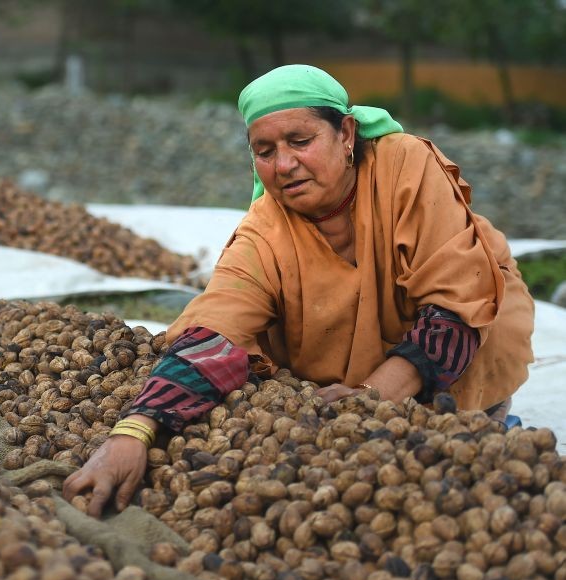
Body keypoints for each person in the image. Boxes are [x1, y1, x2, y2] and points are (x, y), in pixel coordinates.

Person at [63, 64, 535, 518]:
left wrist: (374, 395)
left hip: (456, 372)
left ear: (346, 135)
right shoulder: (266, 231)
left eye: (301, 141)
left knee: (461, 457)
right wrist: (132, 433)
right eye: (264, 151)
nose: (284, 165)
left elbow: (459, 299)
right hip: (338, 400)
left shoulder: (404, 167)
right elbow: (216, 331)